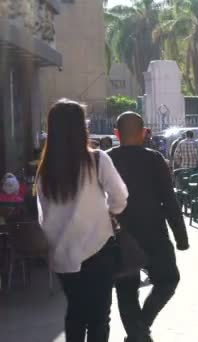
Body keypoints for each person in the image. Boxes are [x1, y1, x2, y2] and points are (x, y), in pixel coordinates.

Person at [36, 99, 129, 342]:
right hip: (99, 248)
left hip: (63, 254)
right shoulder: (97, 159)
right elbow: (120, 197)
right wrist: (108, 212)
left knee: (75, 313)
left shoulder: (45, 170)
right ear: (81, 128)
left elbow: (42, 215)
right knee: (99, 317)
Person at [108, 112, 189, 342]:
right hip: (154, 233)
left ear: (116, 134)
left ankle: (138, 331)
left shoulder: (106, 160)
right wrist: (181, 237)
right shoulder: (155, 160)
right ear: (143, 133)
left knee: (126, 289)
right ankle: (140, 330)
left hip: (119, 235)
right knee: (168, 280)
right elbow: (170, 201)